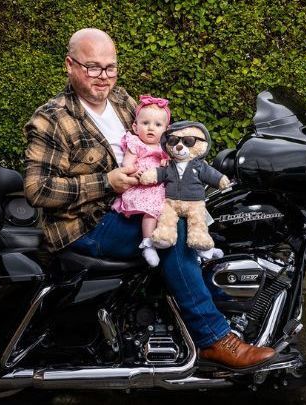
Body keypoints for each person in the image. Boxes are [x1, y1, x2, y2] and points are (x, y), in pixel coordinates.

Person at [23, 28, 275, 370]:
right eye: (92, 67)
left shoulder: (122, 101)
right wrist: (106, 181)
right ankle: (214, 338)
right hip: (86, 226)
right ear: (70, 65)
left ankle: (225, 311)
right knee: (171, 235)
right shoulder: (52, 119)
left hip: (138, 206)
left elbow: (159, 136)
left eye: (110, 67)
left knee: (207, 223)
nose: (103, 77)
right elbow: (38, 189)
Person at [112, 95, 171, 267]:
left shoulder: (164, 148)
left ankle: (202, 249)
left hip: (161, 185)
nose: (151, 128)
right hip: (142, 187)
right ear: (135, 127)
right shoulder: (135, 143)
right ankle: (148, 244)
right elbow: (127, 164)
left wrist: (167, 162)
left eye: (158, 125)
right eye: (145, 123)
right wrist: (137, 173)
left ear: (166, 130)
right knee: (151, 211)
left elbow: (170, 165)